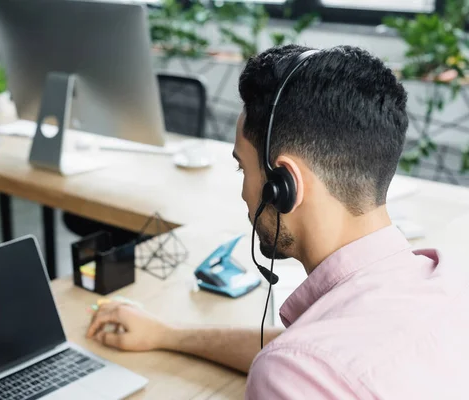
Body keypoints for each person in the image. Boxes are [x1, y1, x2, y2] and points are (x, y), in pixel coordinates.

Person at [86, 45, 469, 399]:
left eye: (242, 168)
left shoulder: (292, 373)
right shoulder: (451, 284)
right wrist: (168, 335)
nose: (242, 193)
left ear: (284, 186)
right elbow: (316, 351)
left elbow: (304, 361)